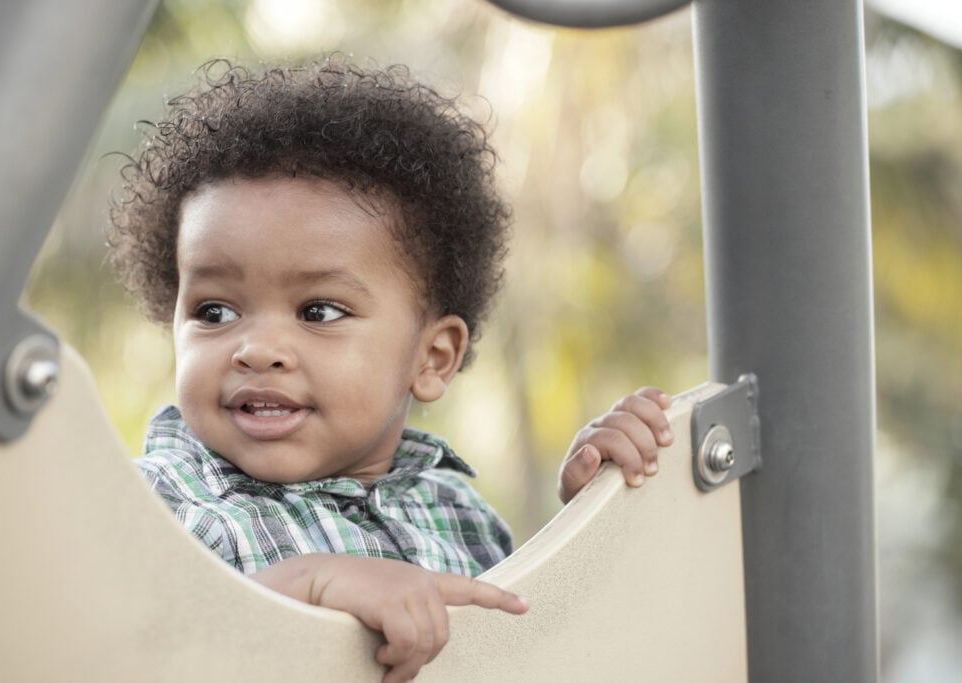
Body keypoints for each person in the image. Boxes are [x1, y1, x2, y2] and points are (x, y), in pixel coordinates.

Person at [107, 57, 673, 682]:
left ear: (431, 359)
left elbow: (534, 655)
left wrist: (589, 521)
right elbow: (114, 656)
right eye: (214, 310)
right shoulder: (158, 506)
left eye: (317, 310)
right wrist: (299, 587)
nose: (256, 349)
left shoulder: (457, 511)